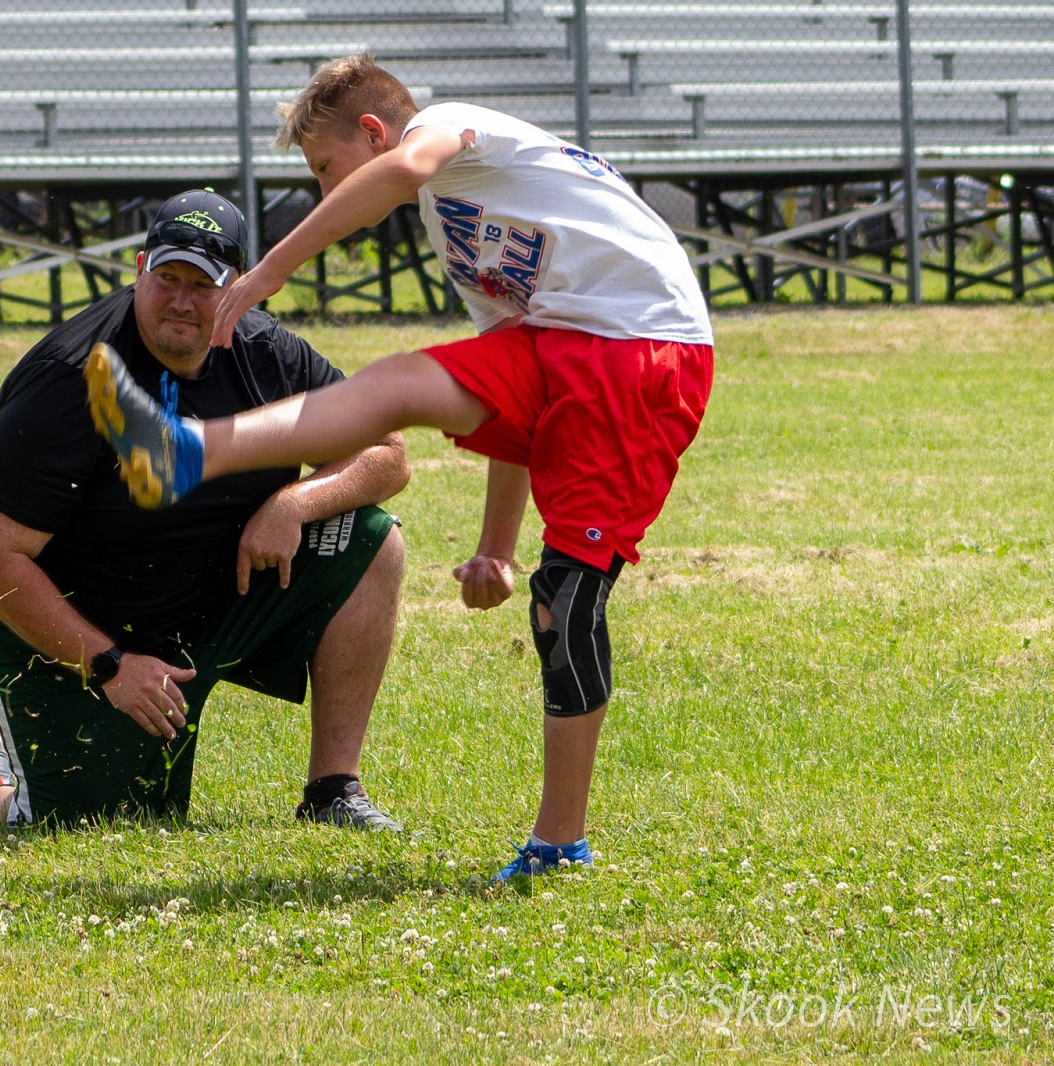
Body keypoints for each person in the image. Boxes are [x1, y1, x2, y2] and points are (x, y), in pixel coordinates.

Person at [84, 57, 714, 880]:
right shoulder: (463, 234)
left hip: (644, 355)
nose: (323, 189)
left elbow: (403, 170)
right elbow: (505, 396)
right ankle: (184, 449)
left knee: (566, 601)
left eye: (322, 167)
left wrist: (273, 268)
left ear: (374, 134)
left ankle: (560, 843)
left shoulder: (443, 131)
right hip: (563, 350)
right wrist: (495, 545)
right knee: (402, 382)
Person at [0, 188, 410, 831]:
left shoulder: (266, 352)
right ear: (139, 269)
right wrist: (108, 665)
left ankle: (334, 789)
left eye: (204, 283)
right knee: (91, 822)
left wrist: (294, 502)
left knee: (368, 540)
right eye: (167, 277)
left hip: (216, 591)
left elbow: (388, 454)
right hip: (83, 615)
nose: (182, 301)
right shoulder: (70, 376)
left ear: (239, 289)